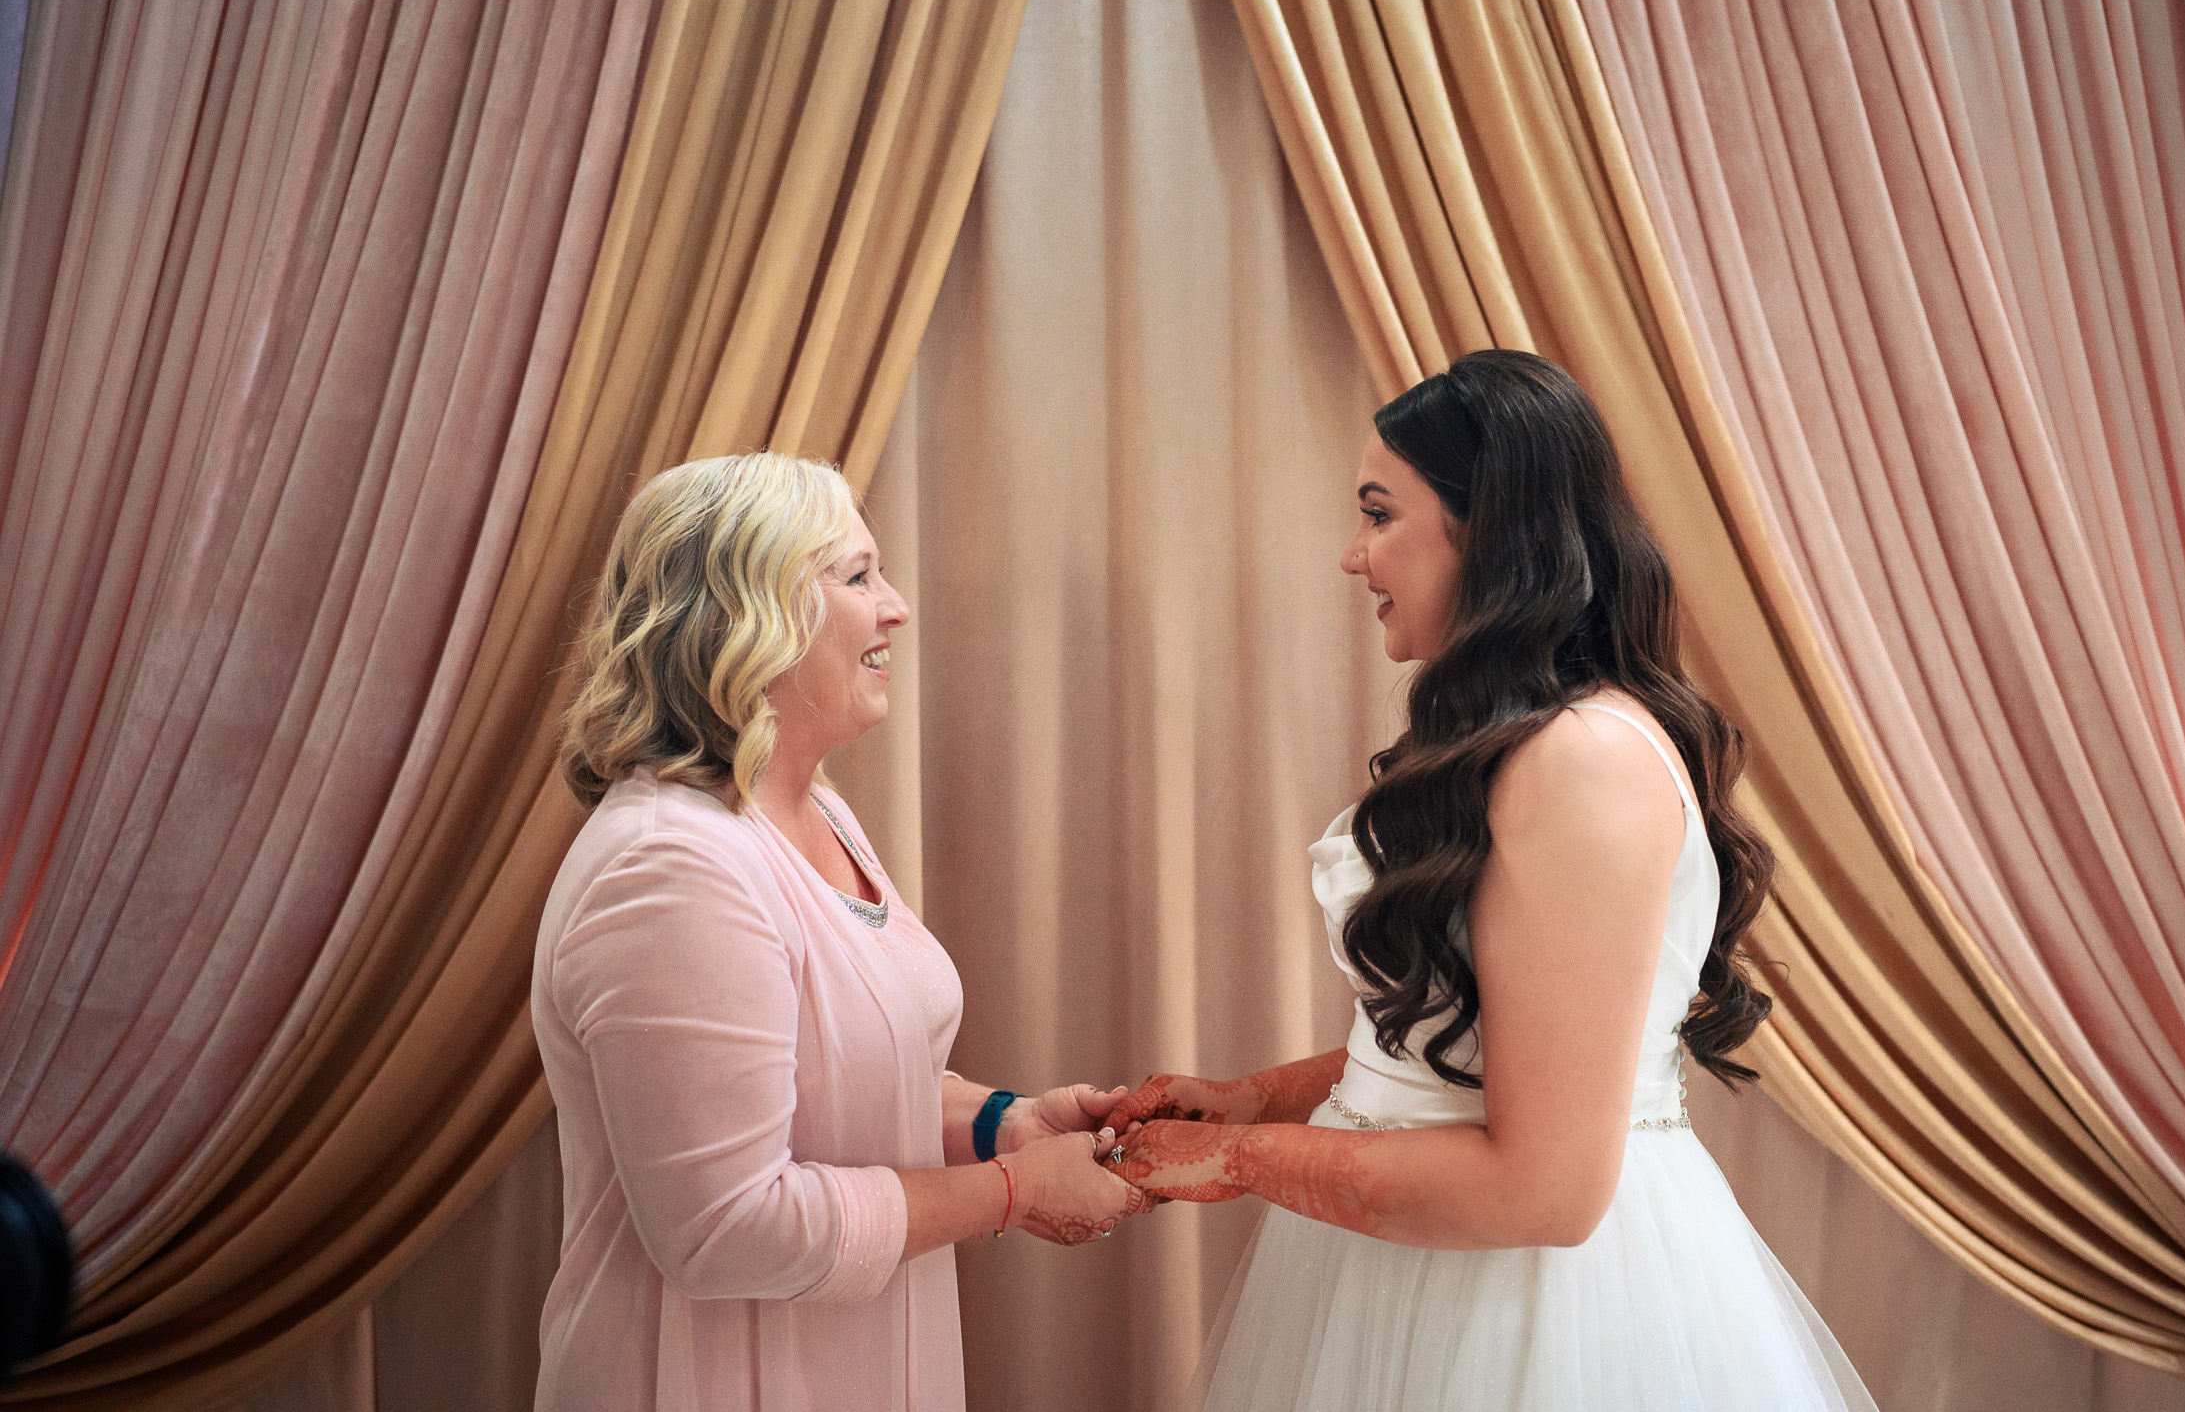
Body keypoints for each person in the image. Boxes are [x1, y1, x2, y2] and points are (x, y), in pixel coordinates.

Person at [1104, 351, 1878, 1410]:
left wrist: (1241, 1157)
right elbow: (1471, 1043)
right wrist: (1253, 1097)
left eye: (1381, 514)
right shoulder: (1527, 748)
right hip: (1423, 1269)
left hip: (1533, 1311)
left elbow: (1545, 1190)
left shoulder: (1582, 763)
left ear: (1488, 528)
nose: (1352, 555)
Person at [532, 453, 1148, 1412]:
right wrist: (1014, 1189)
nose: (895, 607)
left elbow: (829, 1076)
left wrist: (1000, 1122)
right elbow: (727, 1227)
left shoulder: (810, 808)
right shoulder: (670, 868)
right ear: (748, 617)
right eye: (857, 577)